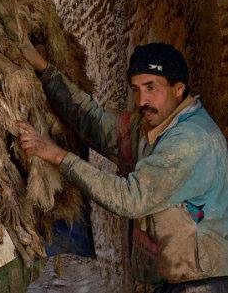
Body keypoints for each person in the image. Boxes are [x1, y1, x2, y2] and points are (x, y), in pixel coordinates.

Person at [17, 42, 228, 292]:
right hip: (171, 281)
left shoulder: (190, 140)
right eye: (136, 89)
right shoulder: (150, 126)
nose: (142, 100)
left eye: (152, 88)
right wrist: (43, 69)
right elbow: (93, 121)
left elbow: (129, 198)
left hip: (201, 284)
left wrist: (57, 155)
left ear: (178, 89)